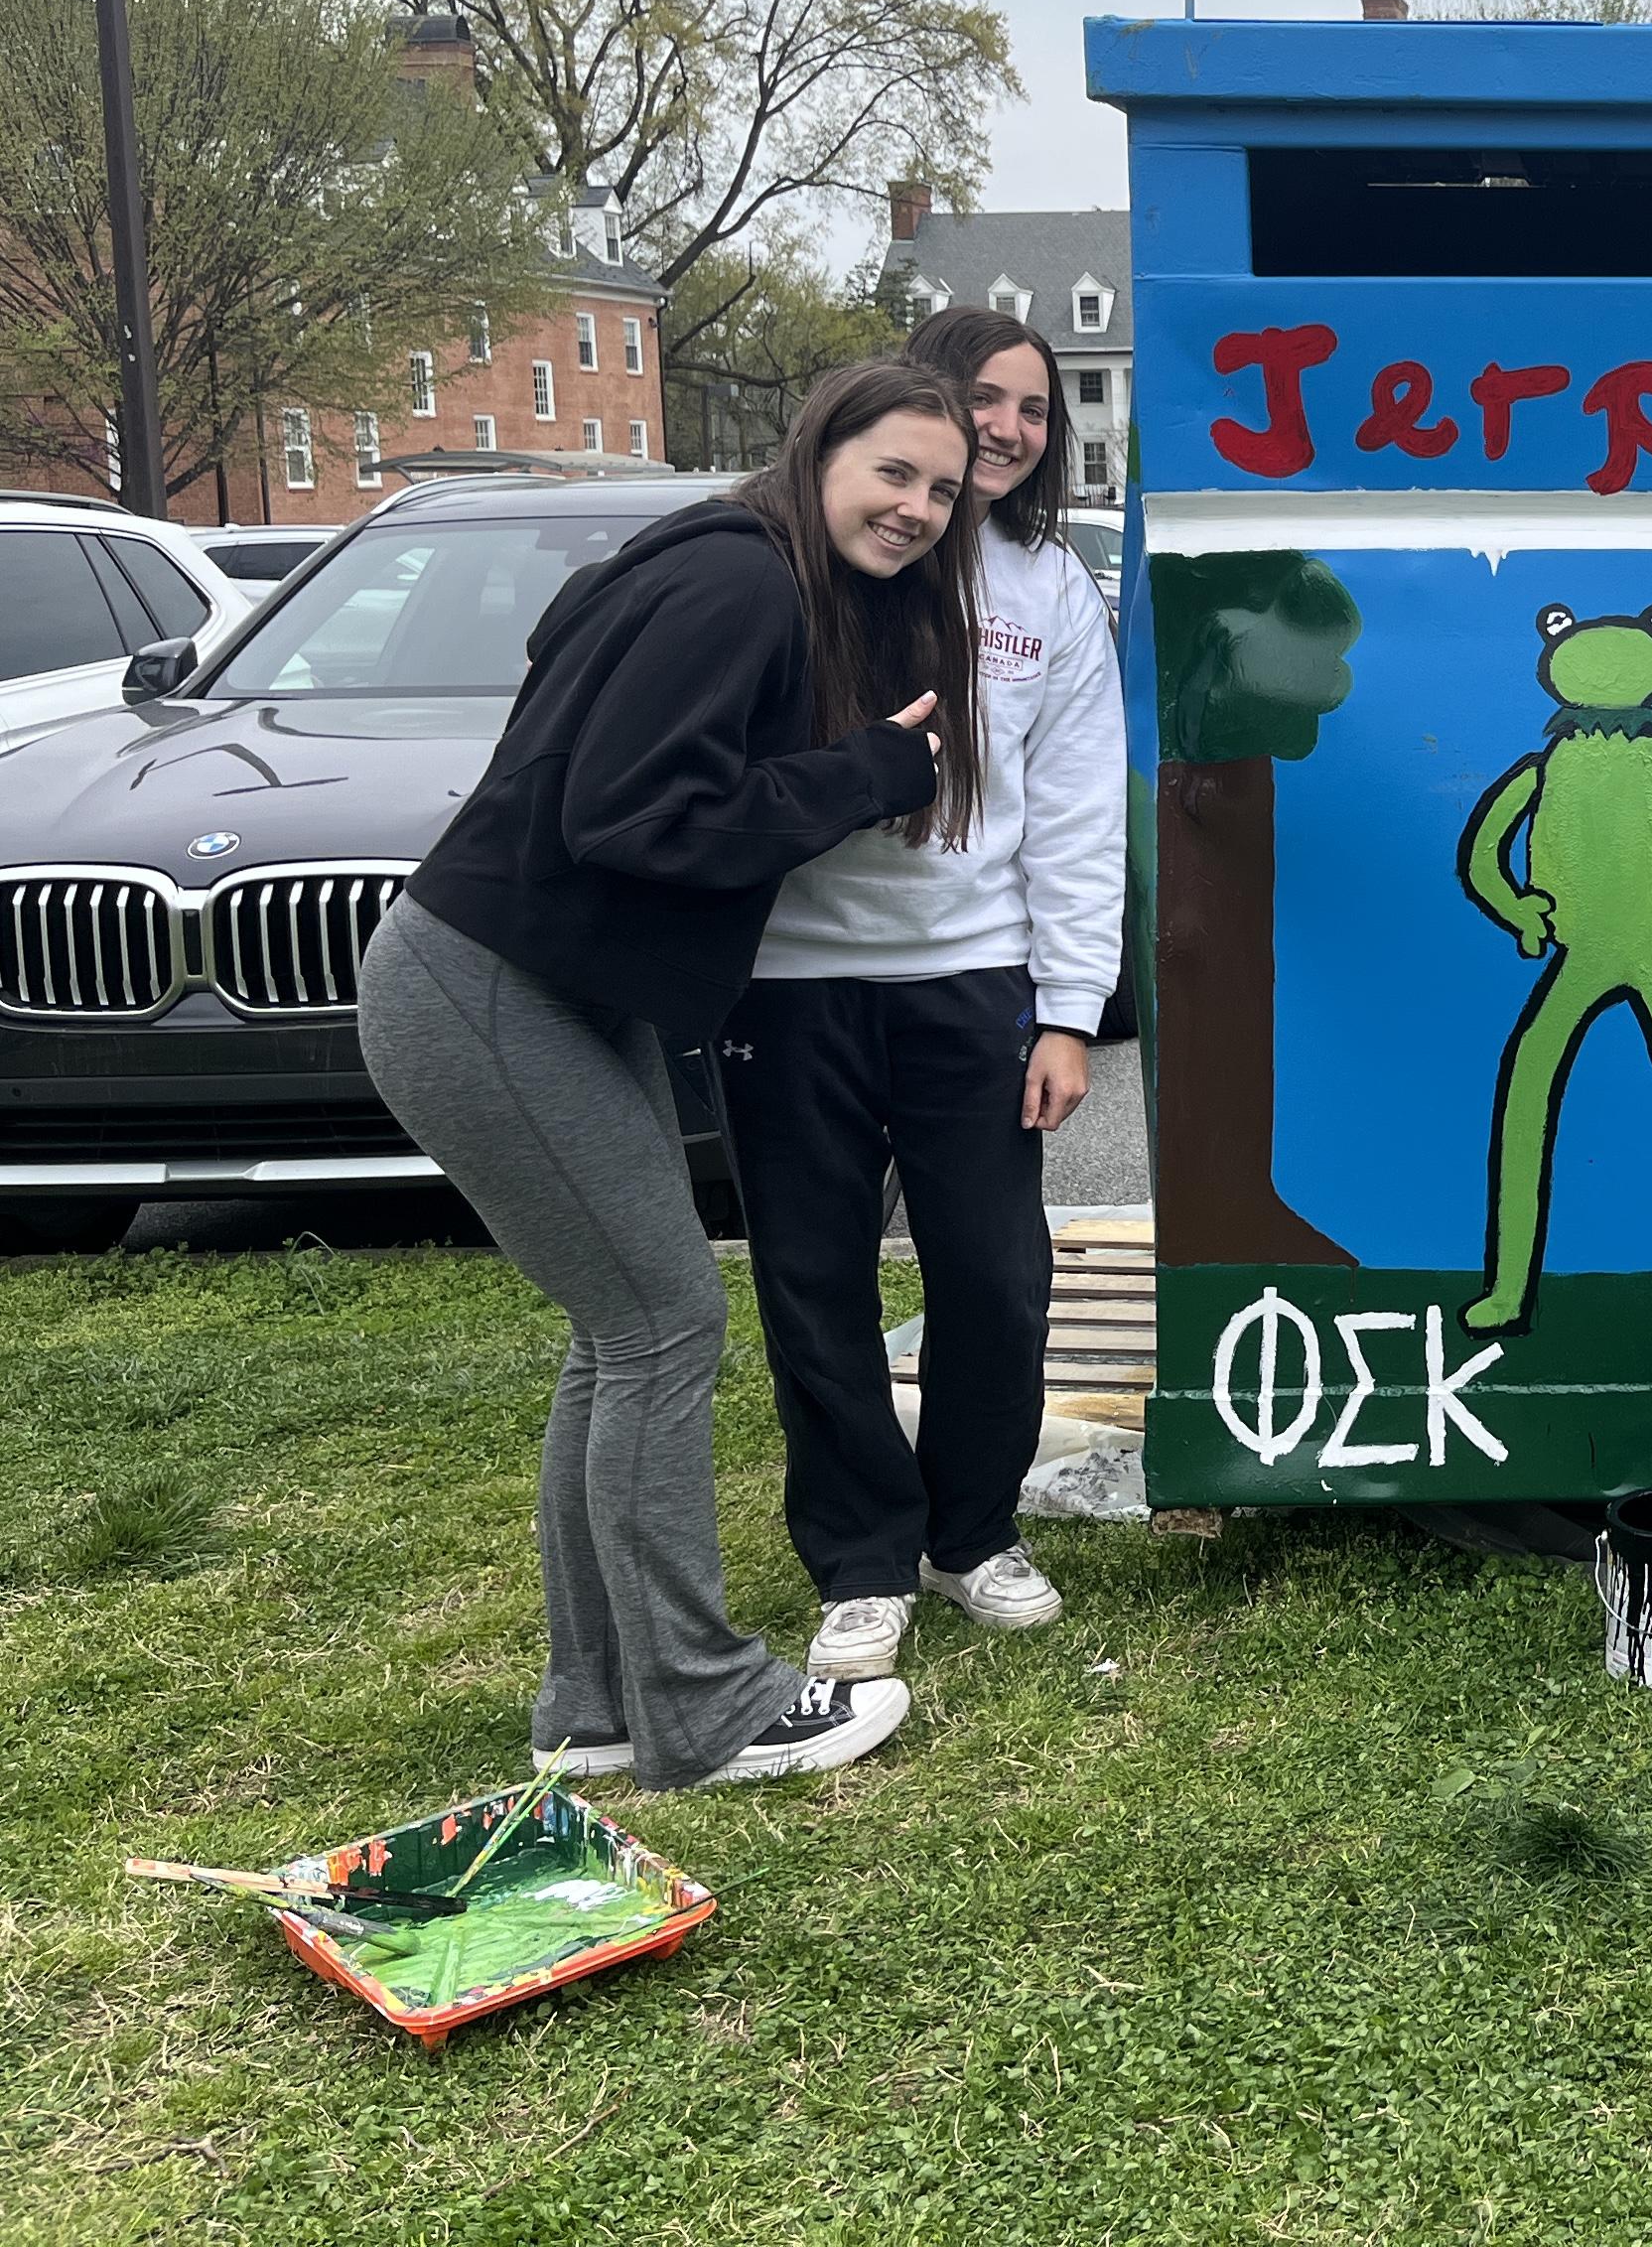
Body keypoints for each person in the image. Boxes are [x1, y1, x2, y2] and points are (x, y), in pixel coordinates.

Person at [357, 360, 983, 1789]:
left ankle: (593, 1709)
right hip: (489, 987)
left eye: (942, 494)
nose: (918, 510)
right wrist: (863, 774)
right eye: (894, 473)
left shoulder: (732, 565)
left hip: (568, 994)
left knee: (618, 1330)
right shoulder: (741, 585)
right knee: (662, 1328)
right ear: (820, 449)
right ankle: (703, 1710)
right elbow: (625, 814)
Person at [736, 308, 1127, 1676]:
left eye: (1032, 408)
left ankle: (971, 1534)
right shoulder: (809, 560)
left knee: (996, 1277)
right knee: (815, 1279)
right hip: (791, 986)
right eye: (982, 401)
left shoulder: (1053, 591)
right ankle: (859, 1557)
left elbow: (1077, 814)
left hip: (972, 986)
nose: (1009, 428)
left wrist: (1071, 1007)